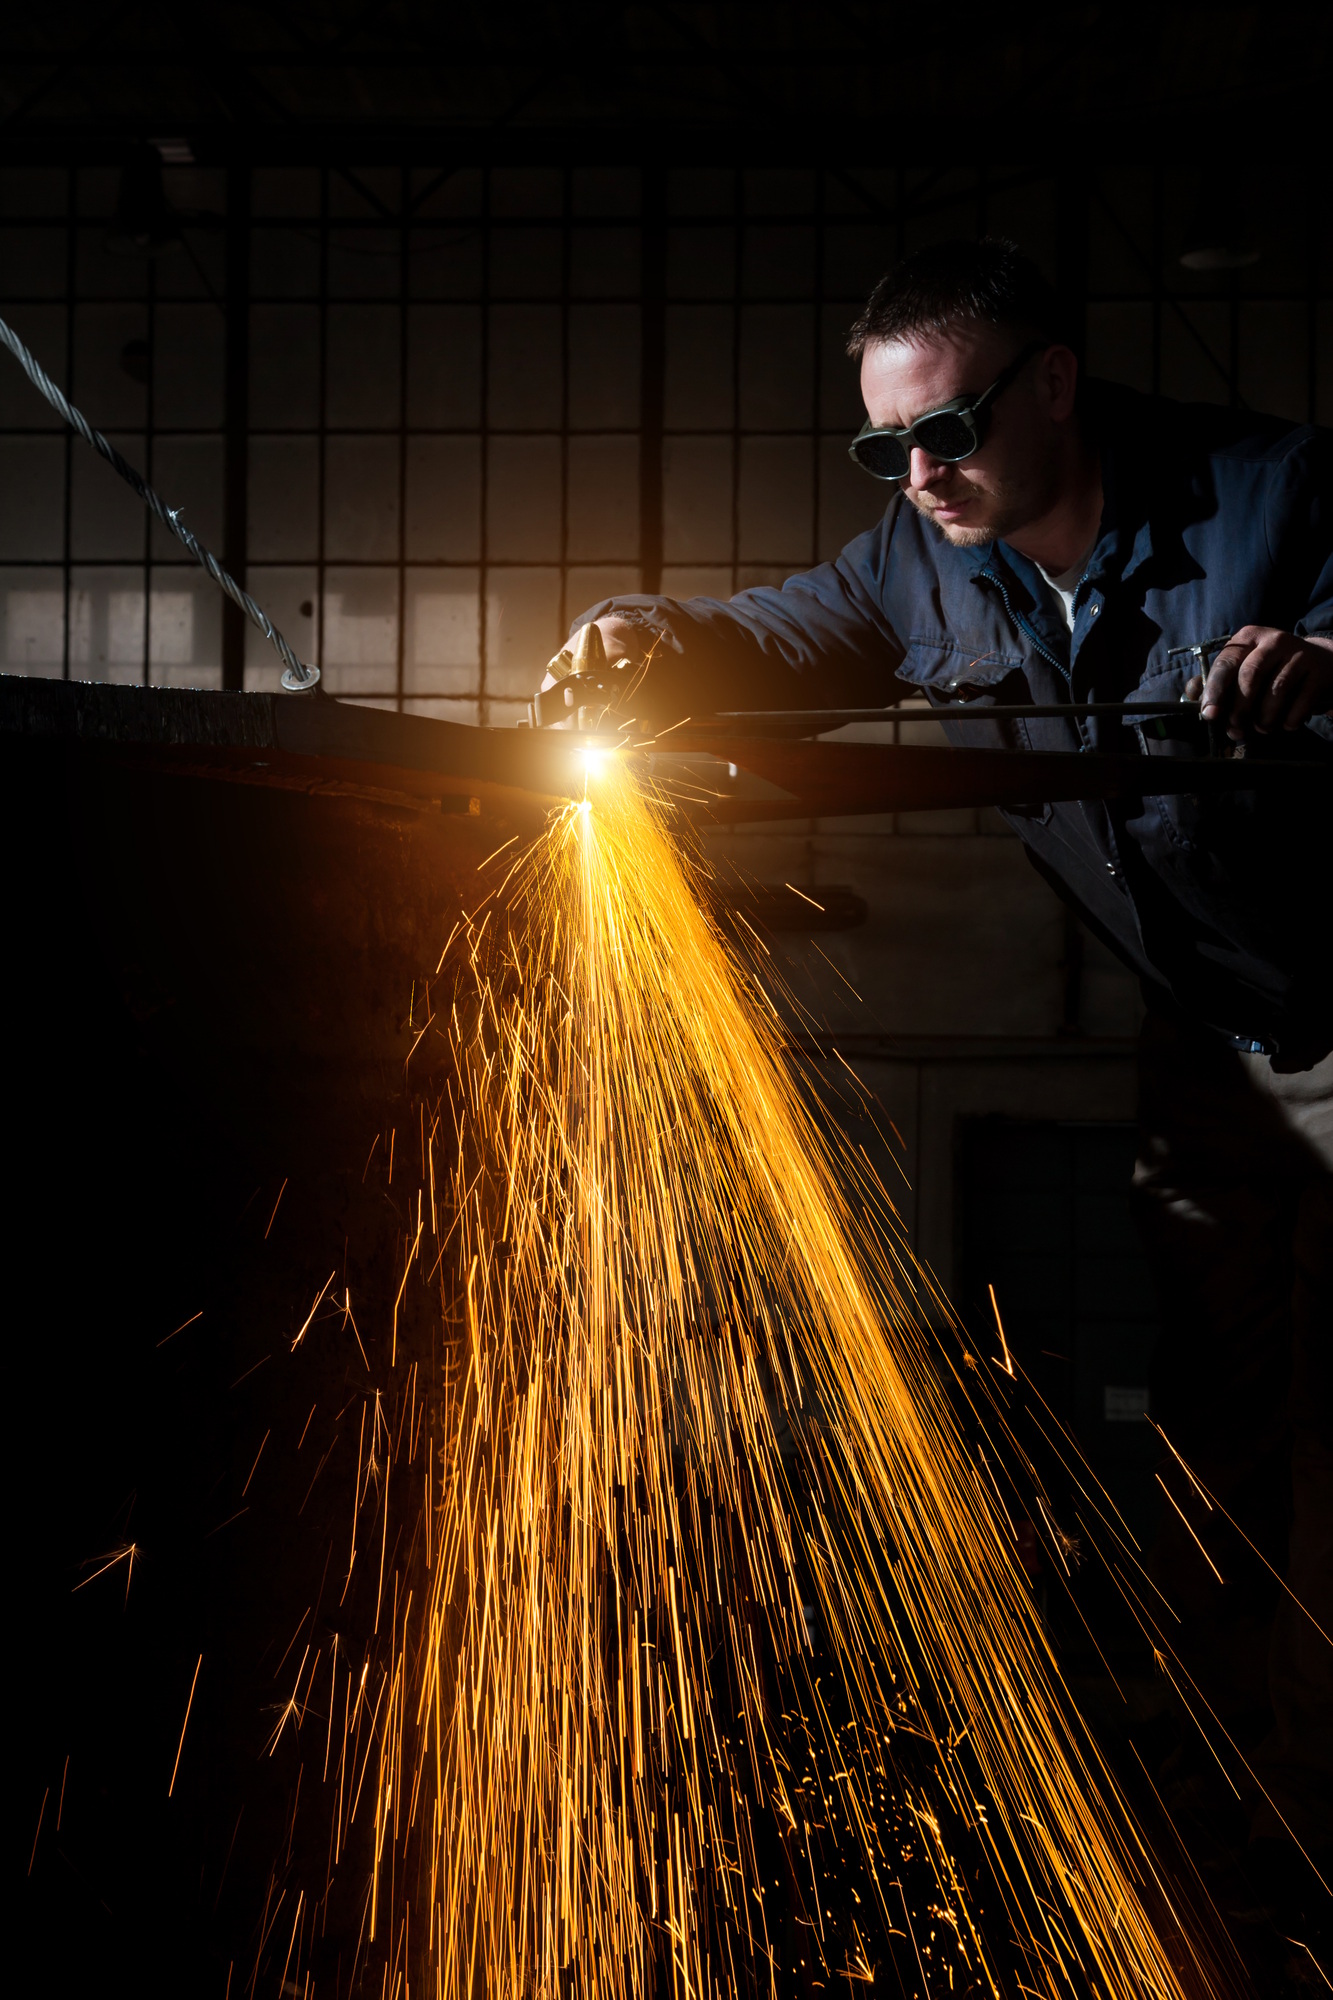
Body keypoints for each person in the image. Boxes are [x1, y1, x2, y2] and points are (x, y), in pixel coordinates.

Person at [537, 239, 1332, 1918]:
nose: (919, 473)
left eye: (950, 427)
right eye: (885, 446)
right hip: (1205, 1047)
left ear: (1053, 380)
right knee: (1217, 1434)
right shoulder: (923, 556)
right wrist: (647, 639)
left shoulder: (1278, 496)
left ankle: (1323, 1817)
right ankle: (1238, 1796)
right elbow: (785, 635)